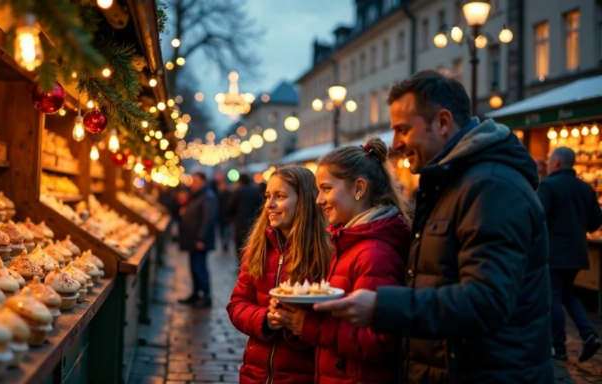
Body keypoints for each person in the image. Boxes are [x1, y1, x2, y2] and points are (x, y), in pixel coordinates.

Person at [315, 70, 553, 383]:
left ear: (442, 122)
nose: (396, 144)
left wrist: (382, 306)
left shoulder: (491, 187)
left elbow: (487, 301)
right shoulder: (451, 183)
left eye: (403, 130)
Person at [272, 138, 410, 384]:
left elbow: (376, 340)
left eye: (326, 189)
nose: (318, 200)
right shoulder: (348, 240)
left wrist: (307, 324)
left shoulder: (374, 252)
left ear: (358, 188)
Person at [226, 164, 332, 384]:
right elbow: (237, 304)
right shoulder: (258, 247)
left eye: (280, 196)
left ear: (303, 201)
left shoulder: (326, 251)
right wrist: (265, 319)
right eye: (267, 196)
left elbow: (331, 324)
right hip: (255, 374)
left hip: (302, 375)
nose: (269, 204)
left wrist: (296, 323)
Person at [538, 146, 602, 362]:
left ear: (556, 162)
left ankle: (559, 347)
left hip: (554, 253)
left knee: (554, 295)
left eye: (548, 160)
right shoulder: (585, 189)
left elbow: (538, 218)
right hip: (577, 253)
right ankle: (588, 334)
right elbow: (595, 223)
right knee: (567, 293)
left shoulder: (548, 185)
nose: (547, 164)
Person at [178, 172, 217, 308]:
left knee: (200, 268)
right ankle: (195, 293)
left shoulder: (207, 197)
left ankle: (206, 296)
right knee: (193, 268)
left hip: (199, 240)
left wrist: (201, 238)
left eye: (196, 181)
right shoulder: (195, 196)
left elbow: (208, 219)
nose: (193, 183)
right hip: (191, 239)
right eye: (192, 181)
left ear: (203, 182)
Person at [227, 174, 264, 262]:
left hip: (240, 223)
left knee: (240, 246)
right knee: (250, 245)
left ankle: (241, 266)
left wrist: (230, 217)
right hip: (253, 224)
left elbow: (230, 206)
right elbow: (260, 207)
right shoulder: (255, 191)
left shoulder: (238, 191)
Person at [215, 179, 233, 252]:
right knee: (226, 230)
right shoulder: (229, 194)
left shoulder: (220, 195)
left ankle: (225, 243)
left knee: (223, 230)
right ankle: (226, 242)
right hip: (225, 216)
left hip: (223, 216)